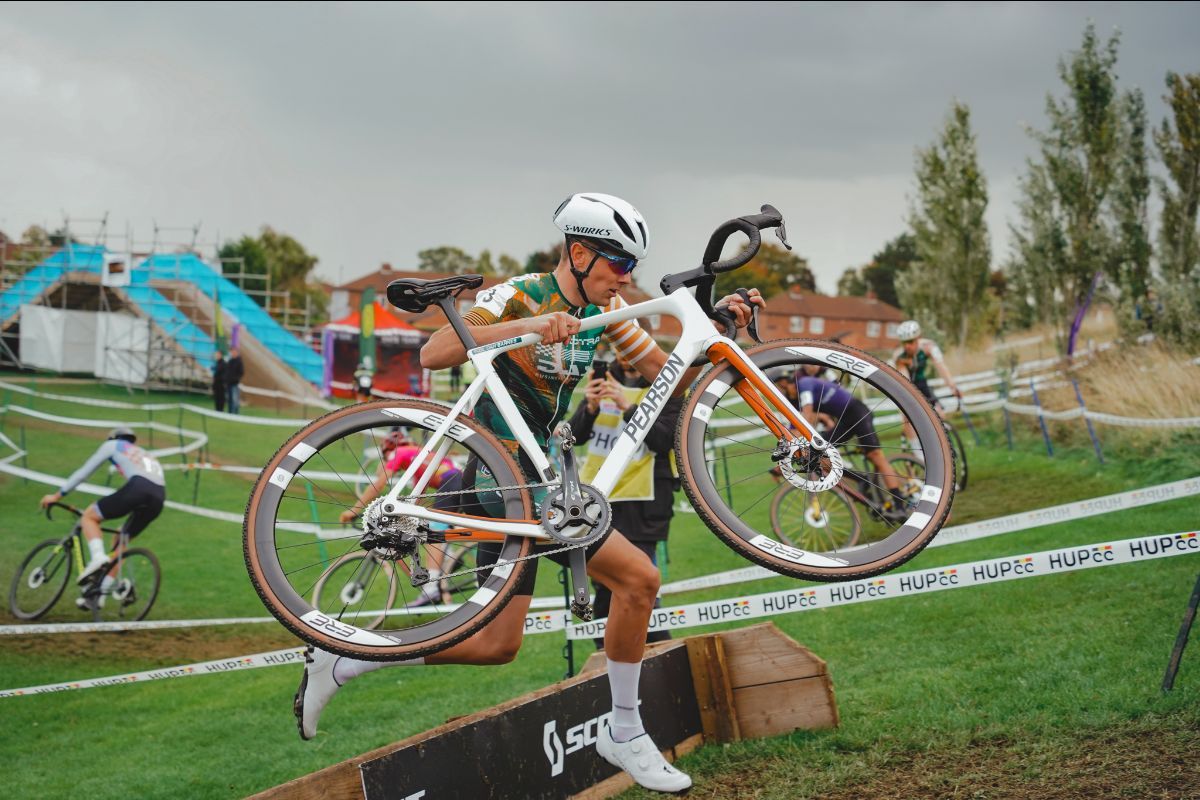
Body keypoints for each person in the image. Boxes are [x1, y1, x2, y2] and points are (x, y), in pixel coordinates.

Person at [294, 191, 763, 793]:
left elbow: (673, 378)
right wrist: (530, 326)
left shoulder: (610, 308)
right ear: (579, 252)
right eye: (619, 263)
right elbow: (435, 351)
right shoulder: (521, 294)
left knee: (496, 644)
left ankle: (349, 658)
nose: (626, 277)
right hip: (501, 471)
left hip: (538, 477)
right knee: (638, 579)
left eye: (632, 267)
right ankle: (623, 728)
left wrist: (724, 331)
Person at [568, 354, 680, 649]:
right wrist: (590, 408)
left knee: (639, 582)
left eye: (631, 345)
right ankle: (611, 654)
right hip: (600, 499)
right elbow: (574, 436)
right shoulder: (605, 379)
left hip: (645, 503)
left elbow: (665, 439)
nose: (625, 353)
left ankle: (652, 653)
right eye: (620, 345)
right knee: (605, 583)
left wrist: (628, 407)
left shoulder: (666, 383)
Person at [38, 427, 166, 609]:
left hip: (139, 488)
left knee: (89, 517)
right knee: (121, 539)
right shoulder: (145, 454)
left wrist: (58, 495)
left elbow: (84, 473)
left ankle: (97, 557)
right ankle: (99, 596)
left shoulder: (113, 445)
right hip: (159, 497)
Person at [338, 429, 461, 606]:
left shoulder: (399, 452)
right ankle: (449, 559)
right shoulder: (419, 458)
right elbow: (416, 503)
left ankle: (432, 589)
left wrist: (354, 510)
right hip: (459, 480)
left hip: (451, 481)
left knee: (435, 530)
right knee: (430, 528)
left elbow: (377, 485)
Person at [774, 364, 909, 520]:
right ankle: (861, 478)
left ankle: (900, 507)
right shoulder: (793, 399)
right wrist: (783, 460)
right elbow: (794, 430)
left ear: (782, 384)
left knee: (875, 455)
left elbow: (808, 418)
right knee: (815, 455)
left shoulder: (804, 385)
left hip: (857, 412)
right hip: (844, 420)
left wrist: (790, 450)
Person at [889, 320, 961, 459]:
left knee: (940, 413)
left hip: (922, 383)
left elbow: (941, 367)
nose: (908, 346)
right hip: (907, 385)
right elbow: (906, 382)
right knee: (907, 417)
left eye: (911, 341)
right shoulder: (899, 356)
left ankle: (944, 445)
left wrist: (952, 386)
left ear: (918, 338)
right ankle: (919, 453)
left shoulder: (929, 347)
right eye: (905, 343)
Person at [225, 347, 244, 414]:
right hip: (229, 383)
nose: (232, 353)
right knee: (229, 399)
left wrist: (235, 379)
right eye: (232, 352)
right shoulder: (230, 361)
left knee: (235, 399)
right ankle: (230, 413)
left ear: (237, 352)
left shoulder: (239, 361)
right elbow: (227, 371)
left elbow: (241, 372)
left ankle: (235, 413)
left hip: (235, 384)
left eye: (234, 351)